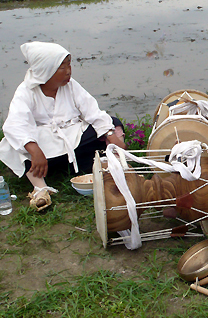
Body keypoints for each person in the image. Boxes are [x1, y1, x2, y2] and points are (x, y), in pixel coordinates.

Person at [0, 42, 126, 211]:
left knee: (113, 123)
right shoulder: (26, 92)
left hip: (71, 137)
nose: (69, 71)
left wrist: (110, 134)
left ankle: (112, 163)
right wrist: (35, 150)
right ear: (46, 70)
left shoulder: (71, 85)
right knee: (10, 144)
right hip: (42, 149)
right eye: (62, 67)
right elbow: (16, 125)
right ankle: (40, 187)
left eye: (69, 64)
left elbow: (92, 111)